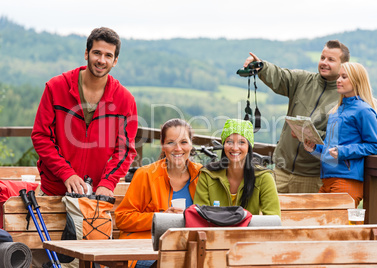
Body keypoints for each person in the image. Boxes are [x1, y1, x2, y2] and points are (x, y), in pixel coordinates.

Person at [31, 27, 137, 198]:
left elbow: (124, 151)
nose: (102, 60)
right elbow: (41, 136)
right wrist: (66, 173)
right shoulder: (56, 87)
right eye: (97, 53)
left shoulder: (125, 100)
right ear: (86, 53)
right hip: (53, 192)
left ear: (115, 61)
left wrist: (108, 182)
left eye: (108, 55)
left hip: (94, 197)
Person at [243, 40, 350, 193]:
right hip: (280, 172)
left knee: (306, 218)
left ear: (343, 65)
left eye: (331, 60)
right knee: (270, 217)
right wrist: (261, 66)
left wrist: (309, 134)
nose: (324, 63)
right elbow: (280, 76)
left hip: (313, 177)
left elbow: (342, 138)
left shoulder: (345, 98)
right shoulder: (302, 80)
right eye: (322, 58)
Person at [115, 118, 202, 268]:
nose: (178, 148)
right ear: (162, 146)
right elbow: (122, 219)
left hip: (187, 250)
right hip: (146, 249)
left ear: (191, 145)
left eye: (183, 142)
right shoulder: (146, 174)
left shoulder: (201, 175)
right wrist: (161, 219)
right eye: (170, 142)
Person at [304, 62, 377, 208]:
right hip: (328, 179)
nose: (338, 80)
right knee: (321, 227)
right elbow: (331, 148)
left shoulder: (364, 110)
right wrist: (314, 148)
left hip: (346, 181)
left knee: (340, 229)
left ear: (357, 81)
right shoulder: (336, 110)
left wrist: (343, 151)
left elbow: (375, 145)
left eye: (344, 77)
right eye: (339, 76)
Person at [194, 119, 280, 216]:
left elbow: (273, 218)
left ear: (249, 147)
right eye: (229, 142)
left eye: (241, 142)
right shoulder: (208, 175)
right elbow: (199, 216)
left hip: (249, 231)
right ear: (223, 145)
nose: (235, 148)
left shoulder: (264, 178)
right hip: (214, 231)